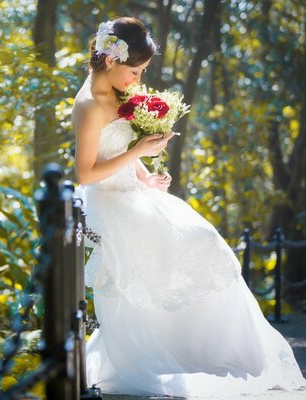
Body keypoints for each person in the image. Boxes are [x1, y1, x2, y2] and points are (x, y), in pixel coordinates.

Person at [73, 16, 306, 397]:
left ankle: (218, 353)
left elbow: (119, 151)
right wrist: (137, 151)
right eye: (135, 70)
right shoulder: (87, 105)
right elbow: (85, 172)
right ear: (112, 60)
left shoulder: (120, 94)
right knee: (158, 262)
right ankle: (150, 355)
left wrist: (144, 172)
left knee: (202, 239)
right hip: (109, 201)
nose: (138, 78)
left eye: (142, 71)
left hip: (132, 192)